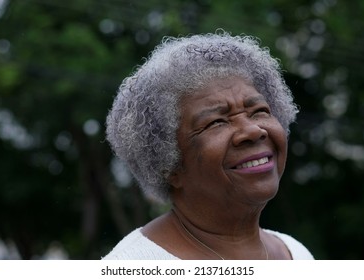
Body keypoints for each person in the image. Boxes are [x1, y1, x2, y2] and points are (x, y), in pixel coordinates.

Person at [103, 32, 314, 260]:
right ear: (169, 166)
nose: (253, 131)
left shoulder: (296, 253)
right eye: (216, 122)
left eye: (260, 111)